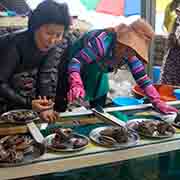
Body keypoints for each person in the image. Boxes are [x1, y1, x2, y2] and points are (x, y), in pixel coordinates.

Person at [55, 18, 178, 114]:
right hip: (74, 63)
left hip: (97, 69)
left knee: (99, 99)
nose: (131, 54)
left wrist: (157, 100)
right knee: (65, 97)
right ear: (121, 42)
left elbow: (143, 79)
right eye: (129, 49)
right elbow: (76, 62)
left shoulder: (129, 54)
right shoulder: (101, 43)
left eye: (134, 51)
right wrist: (76, 83)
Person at [0, 0, 71, 122]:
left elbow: (46, 75)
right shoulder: (14, 45)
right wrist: (29, 103)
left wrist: (45, 107)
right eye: (49, 33)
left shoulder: (53, 45)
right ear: (34, 26)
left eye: (58, 34)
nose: (53, 40)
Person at [161, 5, 180, 86]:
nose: (178, 14)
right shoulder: (176, 21)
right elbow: (170, 40)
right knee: (167, 82)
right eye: (178, 12)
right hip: (173, 56)